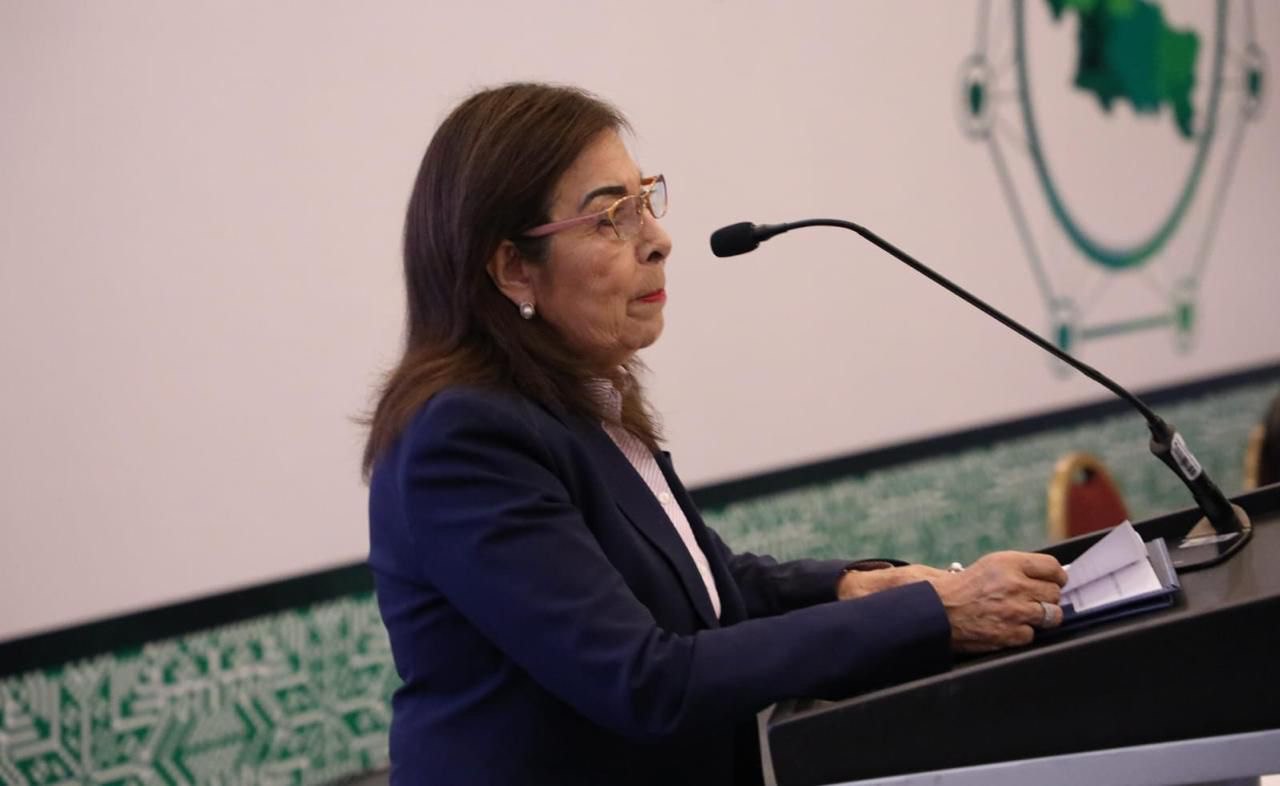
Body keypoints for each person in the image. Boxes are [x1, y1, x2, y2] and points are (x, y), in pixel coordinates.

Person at [364, 82, 1068, 786]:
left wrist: (851, 587)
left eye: (645, 201)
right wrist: (931, 615)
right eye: (611, 217)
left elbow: (706, 587)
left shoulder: (576, 406)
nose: (659, 240)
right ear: (515, 268)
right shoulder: (465, 439)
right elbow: (645, 680)